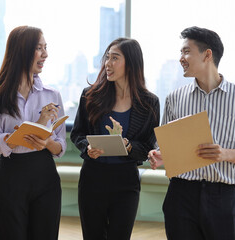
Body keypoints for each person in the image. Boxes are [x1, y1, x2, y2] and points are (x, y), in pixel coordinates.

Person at [148, 26, 235, 240]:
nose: (181, 58)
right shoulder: (174, 98)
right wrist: (160, 156)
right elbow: (164, 148)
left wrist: (225, 154)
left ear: (207, 54)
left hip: (222, 197)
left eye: (186, 51)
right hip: (180, 195)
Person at [0, 26, 66, 240]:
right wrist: (36, 124)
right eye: (39, 48)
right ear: (22, 51)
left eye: (46, 48)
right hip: (11, 176)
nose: (45, 54)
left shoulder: (52, 95)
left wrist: (45, 141)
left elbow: (60, 147)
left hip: (45, 175)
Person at [70, 38, 160, 240]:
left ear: (131, 63)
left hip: (125, 181)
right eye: (107, 58)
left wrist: (126, 144)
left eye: (115, 58)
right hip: (93, 178)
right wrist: (88, 148)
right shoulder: (90, 95)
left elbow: (147, 145)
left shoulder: (149, 102)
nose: (107, 64)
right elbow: (78, 133)